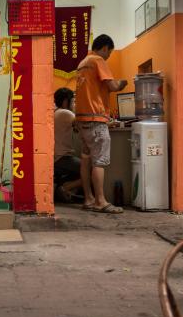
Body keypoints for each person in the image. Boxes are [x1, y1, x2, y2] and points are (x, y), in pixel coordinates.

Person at [75, 34, 128, 214]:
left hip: (82, 120)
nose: (108, 57)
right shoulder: (98, 60)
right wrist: (123, 83)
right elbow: (112, 86)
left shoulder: (82, 63)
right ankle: (101, 201)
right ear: (105, 47)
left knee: (85, 159)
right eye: (109, 53)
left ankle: (88, 199)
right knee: (100, 161)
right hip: (96, 119)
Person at [53, 87, 83, 203]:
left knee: (81, 166)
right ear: (66, 101)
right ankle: (65, 188)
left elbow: (75, 128)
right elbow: (82, 125)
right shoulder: (65, 113)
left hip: (57, 156)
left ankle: (67, 190)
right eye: (73, 101)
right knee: (89, 169)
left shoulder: (57, 112)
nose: (74, 103)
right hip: (62, 158)